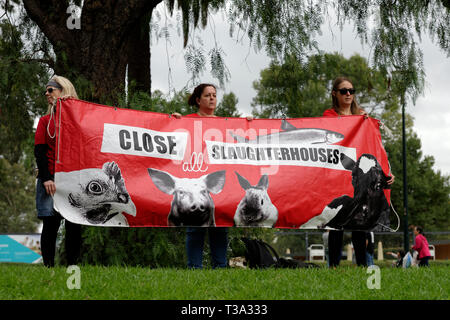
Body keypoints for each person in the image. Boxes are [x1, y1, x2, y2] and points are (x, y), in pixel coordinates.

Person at [324, 77, 395, 268]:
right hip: (339, 173)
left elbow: (376, 147)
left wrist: (386, 172)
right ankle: (333, 268)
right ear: (334, 93)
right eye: (343, 91)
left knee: (360, 224)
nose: (348, 94)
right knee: (336, 224)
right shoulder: (329, 116)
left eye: (351, 91)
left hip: (362, 175)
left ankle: (363, 267)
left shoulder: (363, 116)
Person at [172, 83, 230, 269]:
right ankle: (194, 268)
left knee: (220, 225)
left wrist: (247, 122)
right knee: (195, 226)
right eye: (207, 95)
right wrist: (174, 122)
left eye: (214, 95)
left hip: (218, 181)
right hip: (194, 180)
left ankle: (220, 267)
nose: (212, 98)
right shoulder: (186, 121)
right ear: (198, 100)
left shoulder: (225, 123)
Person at [35, 76, 82, 267]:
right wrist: (46, 178)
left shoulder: (80, 121)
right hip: (51, 179)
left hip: (74, 179)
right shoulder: (45, 121)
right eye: (45, 91)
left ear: (63, 91)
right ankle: (48, 268)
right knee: (50, 223)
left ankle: (72, 267)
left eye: (51, 90)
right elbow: (39, 151)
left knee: (74, 225)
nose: (46, 94)